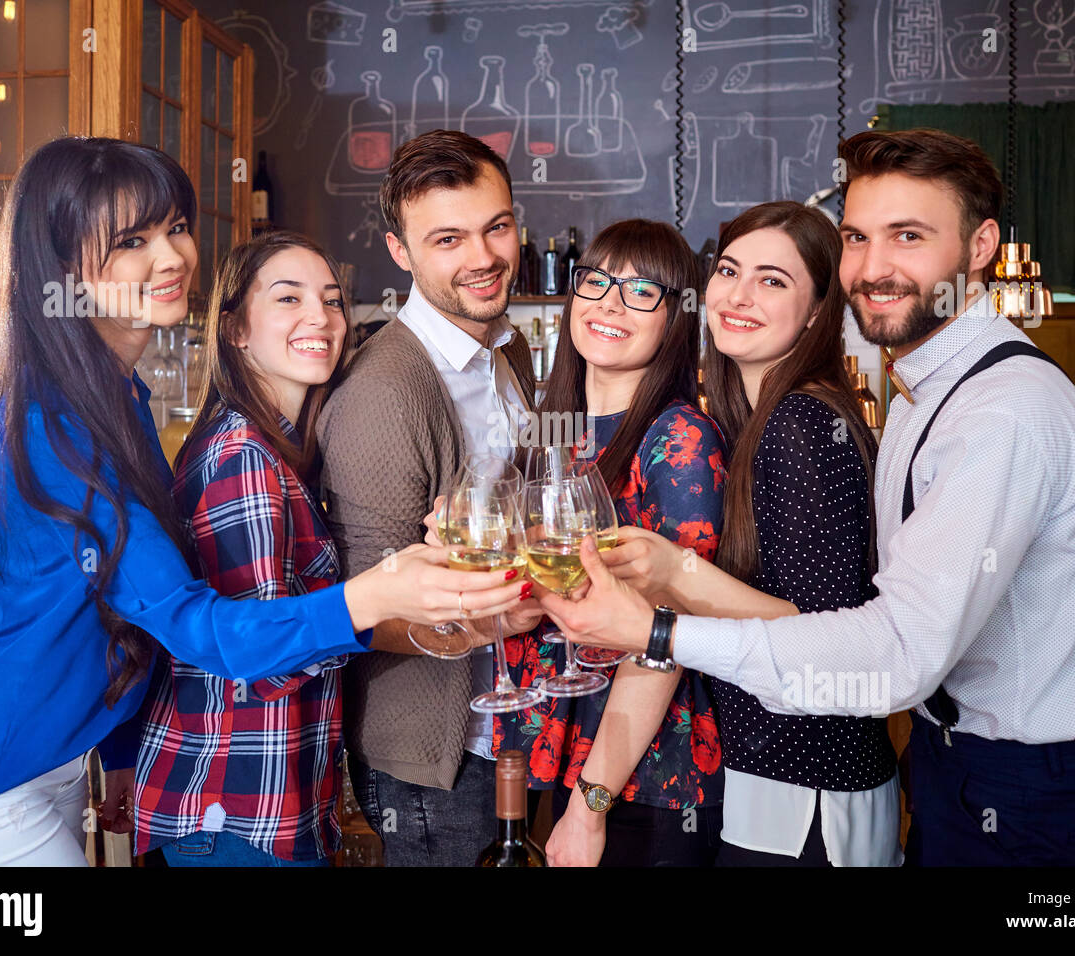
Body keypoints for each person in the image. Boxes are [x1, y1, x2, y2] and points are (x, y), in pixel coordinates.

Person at [0, 137, 525, 866]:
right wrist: (373, 593)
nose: (172, 258)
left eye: (176, 228)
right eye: (132, 240)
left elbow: (122, 614)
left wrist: (124, 750)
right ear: (65, 266)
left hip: (59, 765)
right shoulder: (56, 426)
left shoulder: (115, 398)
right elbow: (198, 630)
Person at [537, 128, 1075, 867]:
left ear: (981, 247)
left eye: (908, 236)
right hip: (942, 772)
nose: (875, 266)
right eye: (857, 236)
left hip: (999, 795)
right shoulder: (915, 387)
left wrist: (661, 617)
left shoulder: (990, 412)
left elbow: (887, 648)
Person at [588, 203, 898, 866]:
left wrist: (675, 573)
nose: (739, 295)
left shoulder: (800, 424)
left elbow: (823, 634)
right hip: (787, 783)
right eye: (730, 271)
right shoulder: (763, 418)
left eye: (773, 281)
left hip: (808, 793)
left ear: (818, 311)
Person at [499, 219, 760, 867]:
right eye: (596, 281)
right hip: (566, 752)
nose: (610, 303)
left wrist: (591, 806)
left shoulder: (681, 440)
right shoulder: (555, 432)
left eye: (642, 289)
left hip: (644, 780)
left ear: (675, 319)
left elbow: (665, 641)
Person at [316, 129, 542, 866]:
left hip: (512, 725)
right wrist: (519, 606)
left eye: (496, 227)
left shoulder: (506, 350)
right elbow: (369, 613)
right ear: (401, 252)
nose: (482, 258)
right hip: (432, 755)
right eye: (448, 238)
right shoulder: (383, 390)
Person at [133, 232, 364, 867]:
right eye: (288, 298)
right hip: (230, 817)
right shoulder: (243, 457)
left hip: (257, 812)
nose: (321, 317)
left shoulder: (275, 449)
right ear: (235, 329)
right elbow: (259, 652)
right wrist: (382, 606)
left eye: (333, 300)